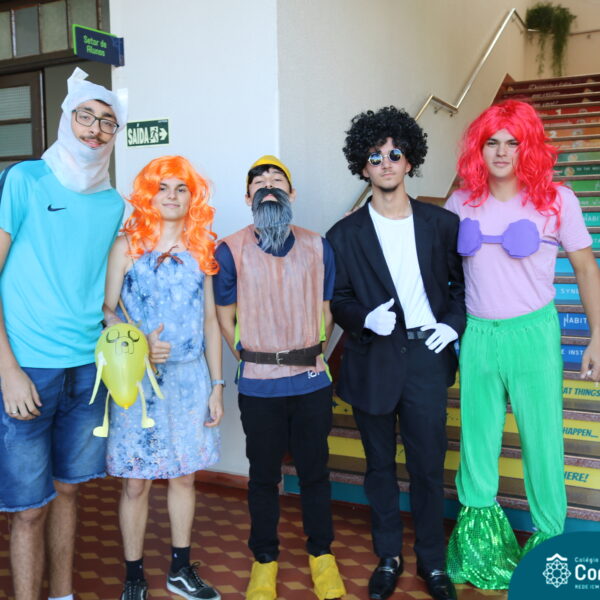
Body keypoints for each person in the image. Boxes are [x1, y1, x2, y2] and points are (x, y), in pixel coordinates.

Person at [445, 99, 600, 589]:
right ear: (478, 149)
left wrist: (597, 336)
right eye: (491, 142)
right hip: (477, 335)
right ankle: (479, 551)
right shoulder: (460, 203)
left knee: (542, 442)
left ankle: (550, 550)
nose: (501, 152)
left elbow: (586, 269)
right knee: (476, 443)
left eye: (512, 142)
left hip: (533, 335)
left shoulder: (557, 200)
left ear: (528, 147)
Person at [326, 106, 465, 600]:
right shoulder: (343, 234)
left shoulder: (442, 223)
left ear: (409, 161)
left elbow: (461, 287)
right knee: (379, 468)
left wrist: (451, 325)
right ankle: (388, 556)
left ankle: (432, 561)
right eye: (375, 156)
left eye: (394, 154)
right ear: (362, 167)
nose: (385, 163)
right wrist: (364, 318)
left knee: (428, 467)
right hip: (374, 359)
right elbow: (338, 298)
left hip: (426, 357)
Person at [0, 67, 126, 600]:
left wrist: (116, 323)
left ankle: (63, 595)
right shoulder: (25, 180)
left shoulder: (113, 203)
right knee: (28, 509)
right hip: (28, 367)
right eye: (85, 117)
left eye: (107, 122)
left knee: (70, 492)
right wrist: (7, 370)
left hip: (88, 371)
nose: (95, 130)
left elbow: (99, 286)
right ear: (65, 119)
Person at [214, 155, 346, 600]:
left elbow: (327, 310)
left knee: (315, 472)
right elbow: (224, 317)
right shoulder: (230, 250)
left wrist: (309, 354)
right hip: (258, 386)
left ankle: (321, 555)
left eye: (277, 180)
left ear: (292, 194)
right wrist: (256, 358)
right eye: (259, 182)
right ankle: (264, 560)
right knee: (263, 475)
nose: (268, 186)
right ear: (247, 196)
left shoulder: (318, 246)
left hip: (311, 381)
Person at [102, 156, 224, 600]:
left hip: (190, 379)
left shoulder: (203, 247)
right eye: (162, 187)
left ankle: (180, 570)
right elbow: (106, 310)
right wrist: (137, 342)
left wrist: (217, 386)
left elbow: (210, 321)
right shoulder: (126, 246)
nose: (171, 196)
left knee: (185, 476)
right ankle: (134, 575)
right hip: (137, 381)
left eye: (181, 188)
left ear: (193, 197)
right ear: (148, 195)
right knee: (136, 480)